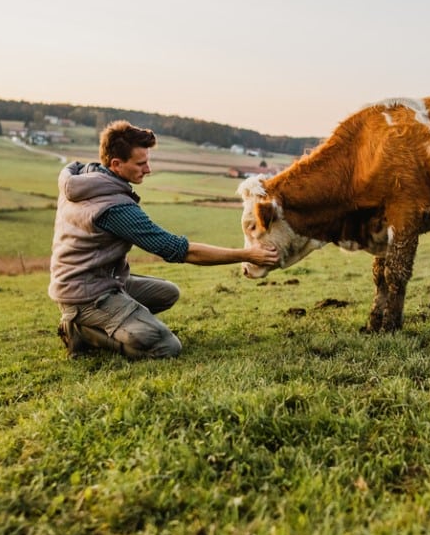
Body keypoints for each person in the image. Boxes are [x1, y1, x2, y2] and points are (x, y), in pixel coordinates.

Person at [48, 121, 279, 359]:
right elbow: (178, 250)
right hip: (86, 295)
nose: (147, 169)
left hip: (92, 281)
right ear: (116, 164)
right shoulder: (114, 208)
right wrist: (248, 254)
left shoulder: (83, 179)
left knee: (167, 293)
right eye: (140, 163)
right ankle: (82, 331)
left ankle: (112, 319)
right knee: (166, 347)